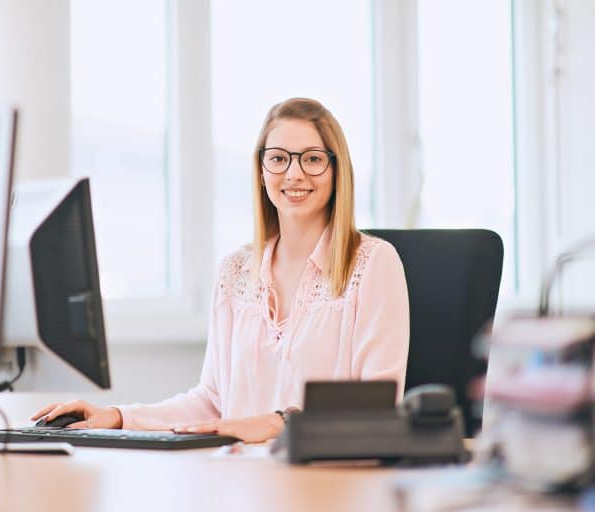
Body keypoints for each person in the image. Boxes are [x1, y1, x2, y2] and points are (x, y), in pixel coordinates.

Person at [32, 98, 409, 443]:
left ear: (337, 170)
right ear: (261, 172)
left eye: (312, 159)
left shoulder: (373, 264)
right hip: (238, 476)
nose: (294, 173)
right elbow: (212, 401)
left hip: (328, 479)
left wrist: (279, 422)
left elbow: (376, 406)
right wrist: (116, 417)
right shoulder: (235, 271)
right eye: (278, 159)